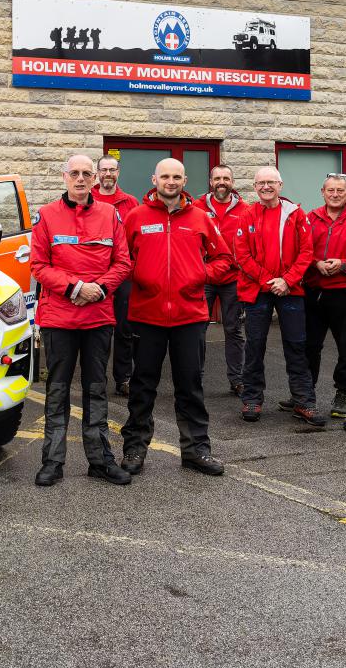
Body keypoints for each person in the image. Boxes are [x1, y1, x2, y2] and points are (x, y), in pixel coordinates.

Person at [120, 159, 232, 477]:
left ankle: (196, 450)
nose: (171, 181)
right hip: (147, 315)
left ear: (185, 180)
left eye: (177, 177)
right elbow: (121, 257)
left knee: (190, 385)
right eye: (165, 176)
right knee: (142, 386)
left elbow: (224, 259)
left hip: (189, 316)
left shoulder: (200, 218)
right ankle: (135, 448)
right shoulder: (136, 217)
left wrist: (200, 274)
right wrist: (138, 273)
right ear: (154, 179)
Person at [31, 154, 132, 487]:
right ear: (64, 177)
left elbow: (123, 263)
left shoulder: (110, 214)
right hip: (59, 318)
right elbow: (39, 266)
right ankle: (52, 461)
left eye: (86, 174)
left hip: (98, 316)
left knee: (96, 389)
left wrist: (98, 289)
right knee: (57, 390)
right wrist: (75, 287)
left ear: (94, 179)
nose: (80, 179)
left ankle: (101, 460)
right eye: (74, 173)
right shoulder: (46, 215)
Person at [234, 167, 324, 426]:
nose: (265, 187)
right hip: (256, 291)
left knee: (297, 346)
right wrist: (267, 280)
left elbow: (307, 252)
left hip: (291, 290)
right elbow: (242, 255)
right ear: (254, 186)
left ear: (280, 185)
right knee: (254, 346)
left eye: (270, 182)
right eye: (261, 183)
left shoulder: (296, 214)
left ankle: (304, 402)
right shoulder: (246, 215)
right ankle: (252, 399)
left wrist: (287, 280)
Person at [301, 173, 346, 418]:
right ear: (322, 192)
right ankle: (305, 394)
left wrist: (343, 264)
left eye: (340, 190)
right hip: (313, 291)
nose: (335, 194)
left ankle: (344, 393)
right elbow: (300, 250)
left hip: (343, 293)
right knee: (309, 345)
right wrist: (315, 262)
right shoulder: (310, 218)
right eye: (331, 190)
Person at [193, 164, 248, 395]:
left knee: (233, 329)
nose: (222, 182)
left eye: (226, 178)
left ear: (232, 182)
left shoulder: (245, 210)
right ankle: (195, 378)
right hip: (203, 277)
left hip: (232, 279)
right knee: (197, 329)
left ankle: (237, 380)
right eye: (217, 178)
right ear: (210, 181)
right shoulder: (196, 207)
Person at [91, 156, 140, 396]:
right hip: (94, 274)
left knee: (124, 329)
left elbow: (138, 238)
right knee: (96, 329)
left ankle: (124, 379)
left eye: (112, 170)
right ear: (96, 173)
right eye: (103, 170)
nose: (107, 174)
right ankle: (96, 378)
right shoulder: (86, 199)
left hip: (123, 274)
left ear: (118, 172)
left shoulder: (130, 202)